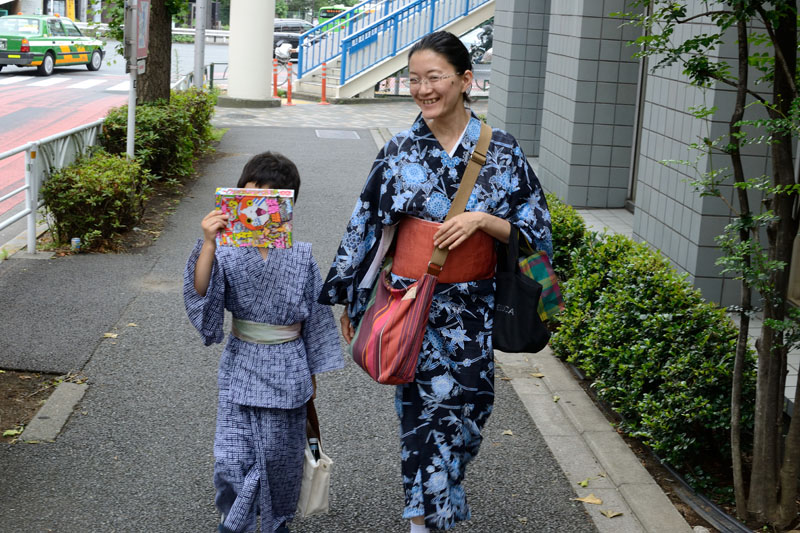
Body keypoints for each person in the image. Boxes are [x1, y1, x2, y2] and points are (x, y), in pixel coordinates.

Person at [318, 31, 553, 532]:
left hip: (474, 307)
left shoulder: (503, 151)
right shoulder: (399, 151)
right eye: (414, 79)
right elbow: (367, 227)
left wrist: (484, 221)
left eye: (434, 78)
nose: (423, 89)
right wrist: (352, 300)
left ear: (466, 80)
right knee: (423, 415)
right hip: (413, 303)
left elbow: (538, 233)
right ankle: (424, 520)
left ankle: (439, 499)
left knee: (471, 413)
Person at [184, 152, 344, 533]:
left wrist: (311, 374)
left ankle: (268, 524)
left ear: (285, 205)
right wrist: (208, 243)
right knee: (230, 459)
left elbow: (314, 316)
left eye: (266, 198)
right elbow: (201, 290)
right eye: (248, 195)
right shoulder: (226, 248)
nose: (255, 207)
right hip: (241, 364)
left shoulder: (301, 256)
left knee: (274, 461)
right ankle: (234, 520)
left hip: (287, 371)